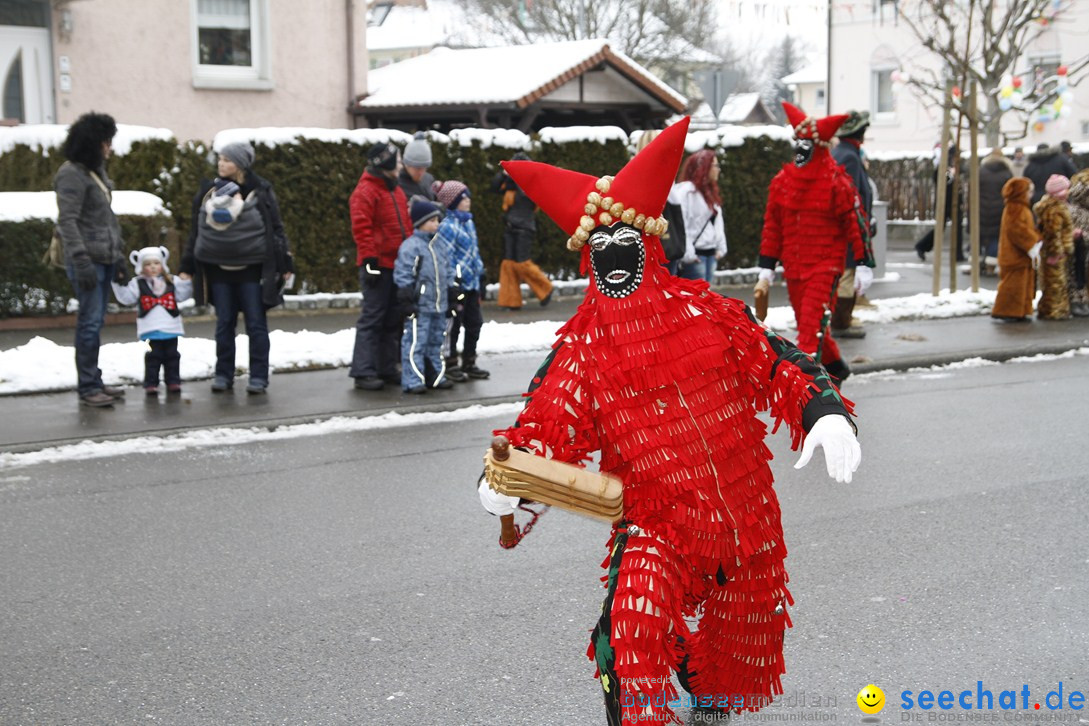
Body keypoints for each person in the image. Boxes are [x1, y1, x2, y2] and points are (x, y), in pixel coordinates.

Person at [476, 118, 861, 726]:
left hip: (748, 520)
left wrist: (825, 413)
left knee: (732, 670)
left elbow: (777, 361)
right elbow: (546, 429)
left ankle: (708, 706)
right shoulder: (581, 350)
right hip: (659, 525)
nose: (612, 260)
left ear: (649, 244)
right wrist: (508, 484)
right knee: (629, 633)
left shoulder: (708, 312)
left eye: (623, 245)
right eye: (598, 252)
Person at [758, 102, 873, 385]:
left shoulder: (837, 181)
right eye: (797, 142)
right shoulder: (782, 182)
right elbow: (773, 226)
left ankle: (808, 395)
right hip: (794, 268)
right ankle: (838, 372)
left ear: (818, 145)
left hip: (825, 266)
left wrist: (863, 263)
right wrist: (766, 267)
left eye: (806, 143)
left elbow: (856, 223)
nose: (800, 149)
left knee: (809, 333)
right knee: (815, 327)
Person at [179, 141, 293, 394]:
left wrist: (285, 261)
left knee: (256, 324)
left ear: (240, 164)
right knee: (224, 323)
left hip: (253, 269)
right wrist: (187, 264)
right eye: (219, 159)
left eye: (227, 160)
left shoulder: (260, 189)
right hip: (218, 269)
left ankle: (259, 377)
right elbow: (196, 230)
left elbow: (275, 226)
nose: (221, 163)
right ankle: (223, 374)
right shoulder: (209, 191)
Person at [54, 111, 127, 408]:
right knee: (89, 323)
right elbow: (68, 221)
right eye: (105, 142)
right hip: (88, 261)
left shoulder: (94, 171)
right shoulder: (71, 173)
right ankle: (87, 387)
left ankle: (94, 380)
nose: (109, 148)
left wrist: (118, 257)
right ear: (91, 143)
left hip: (105, 258)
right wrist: (81, 260)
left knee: (95, 323)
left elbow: (105, 219)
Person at [348, 142, 411, 391]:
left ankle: (387, 367)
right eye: (396, 161)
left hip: (397, 264)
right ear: (385, 164)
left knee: (392, 318)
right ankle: (363, 370)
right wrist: (369, 260)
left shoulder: (395, 190)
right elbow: (361, 228)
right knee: (372, 317)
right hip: (378, 265)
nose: (400, 165)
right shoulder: (365, 191)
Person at [394, 199, 456, 393]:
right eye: (432, 220)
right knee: (415, 343)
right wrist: (406, 297)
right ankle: (413, 380)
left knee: (436, 342)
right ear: (420, 221)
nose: (437, 224)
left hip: (439, 305)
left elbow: (448, 270)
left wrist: (452, 290)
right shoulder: (411, 246)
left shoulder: (440, 245)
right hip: (420, 306)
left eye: (438, 220)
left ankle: (436, 376)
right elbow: (404, 272)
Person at [111, 246, 193, 395]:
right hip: (151, 329)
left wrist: (187, 281)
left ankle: (173, 381)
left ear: (162, 264)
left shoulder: (172, 280)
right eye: (148, 264)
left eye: (156, 263)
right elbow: (126, 298)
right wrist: (118, 283)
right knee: (153, 356)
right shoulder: (137, 283)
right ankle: (151, 383)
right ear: (141, 267)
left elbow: (183, 294)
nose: (153, 267)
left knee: (172, 355)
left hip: (171, 328)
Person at [433, 179, 489, 380]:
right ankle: (450, 363)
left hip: (472, 282)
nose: (468, 201)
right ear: (452, 201)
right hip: (457, 285)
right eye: (463, 198)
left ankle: (470, 361)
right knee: (453, 325)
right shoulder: (447, 226)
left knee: (475, 323)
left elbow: (474, 252)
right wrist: (452, 283)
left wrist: (481, 275)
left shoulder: (469, 222)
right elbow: (445, 256)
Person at [831, 109, 874, 338]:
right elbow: (853, 196)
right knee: (846, 275)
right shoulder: (848, 156)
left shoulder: (842, 153)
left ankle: (842, 319)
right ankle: (841, 322)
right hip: (848, 229)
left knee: (845, 275)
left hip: (846, 227)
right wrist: (863, 224)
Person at [492, 152, 554, 310]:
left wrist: (518, 177)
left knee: (521, 263)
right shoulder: (509, 183)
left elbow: (529, 197)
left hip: (524, 228)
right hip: (510, 226)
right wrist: (504, 174)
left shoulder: (529, 183)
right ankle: (511, 300)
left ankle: (545, 288)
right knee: (508, 264)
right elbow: (494, 187)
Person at [666, 149, 726, 284]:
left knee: (706, 298)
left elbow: (717, 223)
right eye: (715, 165)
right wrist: (689, 254)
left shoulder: (710, 192)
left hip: (710, 254)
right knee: (695, 299)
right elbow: (682, 223)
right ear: (704, 167)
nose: (718, 169)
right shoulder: (687, 192)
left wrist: (720, 249)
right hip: (695, 256)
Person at [991, 177, 1040, 322]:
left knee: (1022, 284)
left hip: (1020, 254)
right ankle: (1007, 311)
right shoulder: (1015, 208)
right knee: (1012, 286)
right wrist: (1032, 242)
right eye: (1028, 191)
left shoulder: (1021, 208)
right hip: (1015, 254)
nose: (1031, 194)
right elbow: (1017, 230)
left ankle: (1020, 311)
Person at [1033, 174, 1074, 320]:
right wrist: (1055, 252)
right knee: (1055, 282)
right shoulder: (1055, 209)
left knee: (1054, 281)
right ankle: (1054, 310)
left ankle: (1053, 308)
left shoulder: (1056, 207)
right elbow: (1053, 233)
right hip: (1056, 252)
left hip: (1057, 250)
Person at [914, 145, 966, 261]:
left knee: (957, 228)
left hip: (955, 203)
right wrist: (950, 174)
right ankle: (921, 246)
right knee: (939, 229)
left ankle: (958, 254)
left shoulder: (956, 166)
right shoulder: (943, 167)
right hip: (944, 203)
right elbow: (940, 181)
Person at [978, 148, 1014, 276]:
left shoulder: (980, 171)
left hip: (981, 209)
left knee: (981, 236)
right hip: (1000, 209)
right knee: (995, 236)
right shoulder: (1007, 173)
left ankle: (979, 262)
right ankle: (991, 265)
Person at [1066, 169, 1089, 316]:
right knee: (1076, 276)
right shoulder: (1075, 211)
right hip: (1077, 250)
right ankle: (1076, 301)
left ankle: (1083, 301)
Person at [398, 132, 437, 202]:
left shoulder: (429, 179)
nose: (421, 172)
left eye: (424, 167)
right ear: (407, 164)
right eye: (417, 168)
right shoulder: (397, 185)